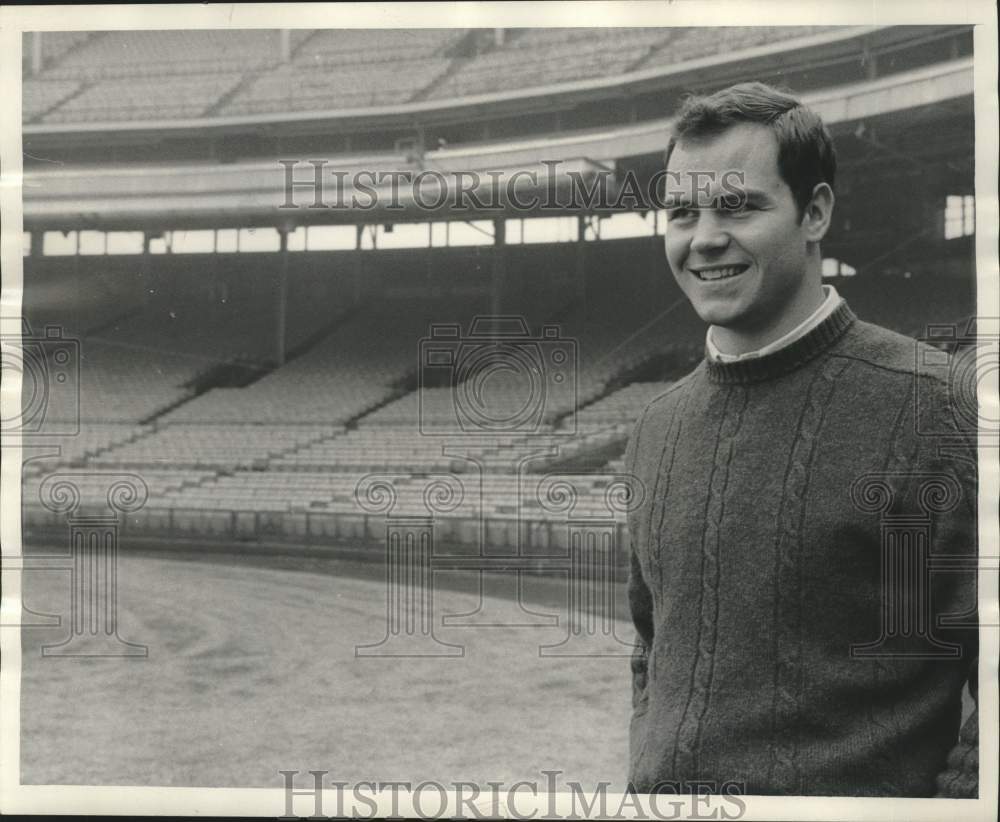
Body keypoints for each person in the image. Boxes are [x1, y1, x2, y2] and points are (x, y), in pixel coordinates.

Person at [624, 82, 978, 797]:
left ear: (814, 212)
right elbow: (651, 650)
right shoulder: (655, 427)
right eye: (683, 212)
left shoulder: (938, 407)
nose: (704, 238)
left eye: (737, 206)